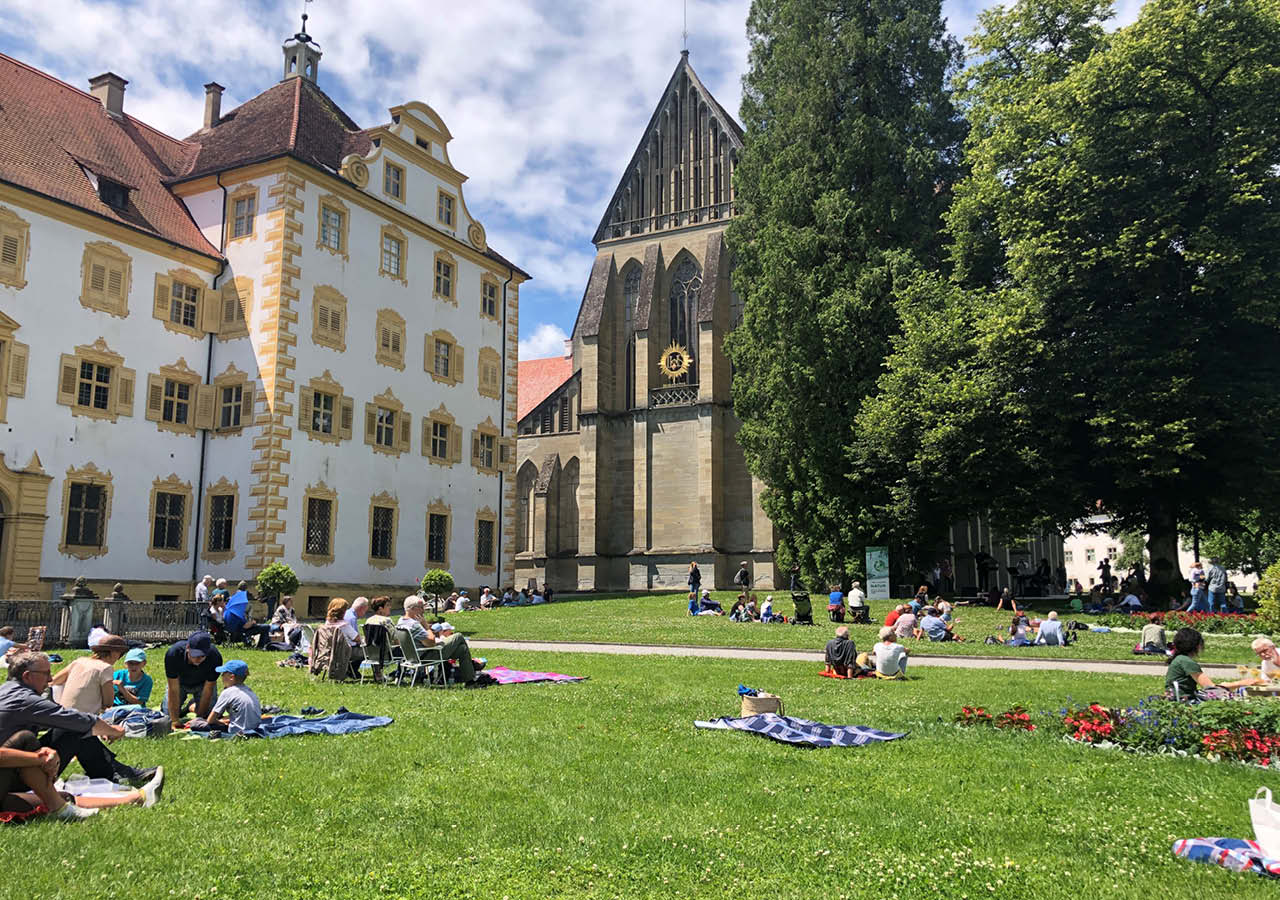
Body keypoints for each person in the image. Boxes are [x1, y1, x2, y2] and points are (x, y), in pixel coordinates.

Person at [0, 652, 163, 818]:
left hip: (11, 769)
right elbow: (73, 719)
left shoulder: (6, 692)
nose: (50, 679)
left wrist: (39, 757)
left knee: (51, 735)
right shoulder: (23, 699)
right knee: (59, 792)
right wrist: (40, 759)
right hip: (8, 776)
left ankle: (120, 779)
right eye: (46, 673)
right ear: (27, 676)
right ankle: (130, 792)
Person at [396, 596, 481, 685]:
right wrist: (426, 626)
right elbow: (431, 643)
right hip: (426, 656)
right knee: (458, 636)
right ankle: (472, 673)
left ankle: (470, 681)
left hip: (413, 656)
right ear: (412, 609)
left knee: (462, 649)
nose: (423, 610)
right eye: (421, 608)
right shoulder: (414, 625)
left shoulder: (401, 621)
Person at [1165, 627, 1258, 700]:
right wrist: (1242, 683)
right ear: (1197, 645)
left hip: (1175, 698)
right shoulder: (1186, 662)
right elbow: (1210, 688)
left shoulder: (1179, 659)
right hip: (1184, 701)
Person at [52, 634, 127, 715]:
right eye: (120, 653)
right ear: (114, 653)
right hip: (84, 718)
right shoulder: (106, 668)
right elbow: (108, 702)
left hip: (61, 714)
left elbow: (54, 681)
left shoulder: (79, 661)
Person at [163, 631, 223, 727]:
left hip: (202, 684)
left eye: (202, 656)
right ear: (188, 648)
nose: (198, 659)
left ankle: (192, 706)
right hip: (179, 684)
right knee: (167, 717)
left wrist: (199, 719)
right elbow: (173, 689)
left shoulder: (215, 657)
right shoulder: (173, 654)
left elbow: (208, 689)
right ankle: (191, 706)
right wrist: (174, 720)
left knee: (208, 716)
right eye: (195, 655)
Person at [192, 661, 261, 736]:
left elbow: (210, 720)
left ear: (231, 677)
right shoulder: (249, 690)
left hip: (236, 730)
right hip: (255, 728)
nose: (221, 676)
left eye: (223, 673)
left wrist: (221, 723)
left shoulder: (228, 692)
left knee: (196, 722)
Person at [310, 599, 353, 681]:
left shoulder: (325, 626)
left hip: (325, 653)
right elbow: (357, 638)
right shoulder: (344, 625)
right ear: (343, 612)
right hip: (340, 654)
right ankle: (354, 673)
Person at [341, 597, 369, 666]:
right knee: (371, 651)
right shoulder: (352, 618)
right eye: (365, 611)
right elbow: (356, 639)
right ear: (361, 609)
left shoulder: (346, 613)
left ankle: (351, 669)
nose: (364, 614)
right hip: (348, 650)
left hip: (339, 648)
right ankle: (353, 669)